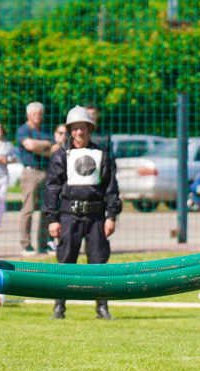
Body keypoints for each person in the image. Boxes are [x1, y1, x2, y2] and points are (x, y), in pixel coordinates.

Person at [43, 105, 122, 320]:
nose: (79, 132)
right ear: (70, 131)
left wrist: (111, 216)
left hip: (96, 216)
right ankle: (59, 307)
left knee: (98, 262)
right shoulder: (62, 155)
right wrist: (52, 218)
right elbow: (52, 187)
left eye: (83, 128)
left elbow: (111, 187)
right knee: (65, 261)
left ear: (89, 129)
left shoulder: (101, 154)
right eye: (75, 128)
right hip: (69, 216)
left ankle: (102, 307)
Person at [16, 102, 53, 256]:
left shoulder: (45, 130)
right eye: (35, 114)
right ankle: (26, 245)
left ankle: (43, 245)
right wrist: (46, 145)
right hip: (30, 172)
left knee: (46, 210)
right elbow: (29, 145)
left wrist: (41, 147)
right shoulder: (23, 130)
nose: (38, 116)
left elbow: (54, 149)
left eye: (40, 113)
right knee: (28, 210)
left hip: (46, 171)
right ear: (28, 115)